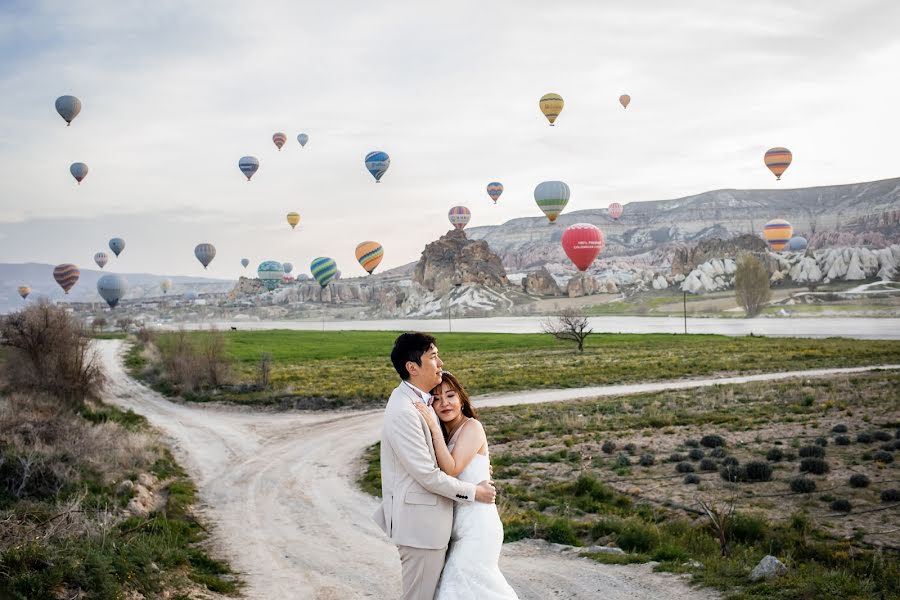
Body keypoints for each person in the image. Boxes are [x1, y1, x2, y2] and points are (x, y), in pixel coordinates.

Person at [373, 333, 497, 600]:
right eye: (433, 356)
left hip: (448, 525)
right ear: (413, 367)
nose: (440, 362)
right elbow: (429, 475)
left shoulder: (420, 404)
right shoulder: (406, 411)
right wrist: (475, 491)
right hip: (422, 529)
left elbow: (456, 456)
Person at [414, 371, 519, 599]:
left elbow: (451, 469)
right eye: (437, 398)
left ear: (461, 398)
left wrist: (433, 427)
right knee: (464, 590)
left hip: (478, 528)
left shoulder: (472, 427)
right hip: (455, 529)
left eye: (450, 395)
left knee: (457, 589)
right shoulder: (446, 435)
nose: (444, 403)